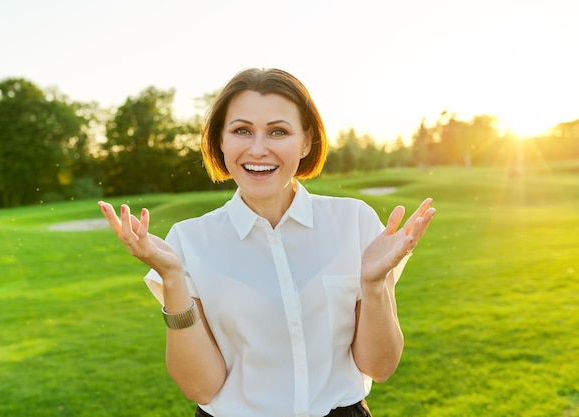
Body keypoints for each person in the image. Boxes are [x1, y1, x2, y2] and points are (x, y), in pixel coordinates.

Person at [98, 68, 435, 417]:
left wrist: (374, 283)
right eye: (242, 131)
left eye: (278, 132)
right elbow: (201, 387)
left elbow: (379, 367)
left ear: (306, 141)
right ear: (221, 142)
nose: (258, 149)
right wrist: (172, 278)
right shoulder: (188, 241)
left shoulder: (355, 222)